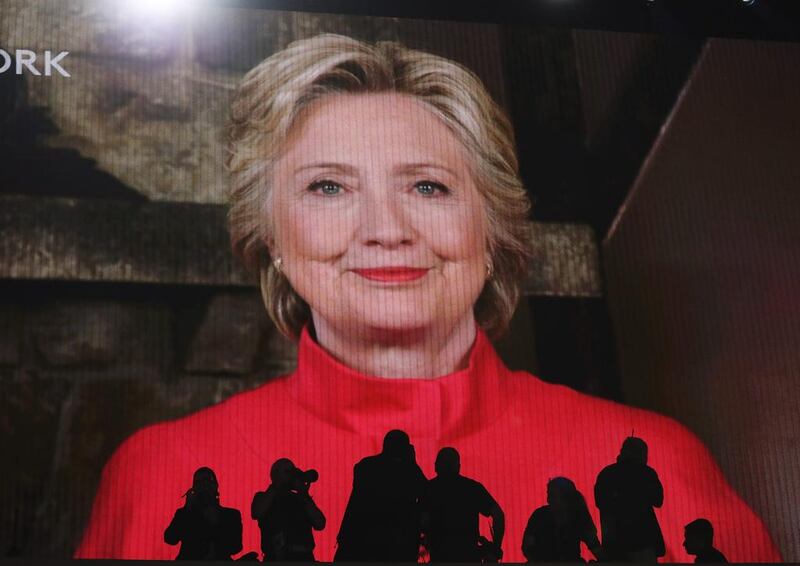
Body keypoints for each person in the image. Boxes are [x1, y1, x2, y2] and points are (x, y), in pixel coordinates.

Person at [75, 34, 781, 561]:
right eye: (328, 187)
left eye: (428, 187)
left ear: (493, 226)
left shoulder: (654, 458)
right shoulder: (157, 471)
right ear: (272, 238)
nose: (387, 230)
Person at [335, 430, 427, 562]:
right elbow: (425, 492)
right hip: (398, 542)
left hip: (364, 538)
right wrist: (412, 463)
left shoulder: (365, 466)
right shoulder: (409, 471)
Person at [422, 447, 504, 562]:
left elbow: (422, 522)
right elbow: (498, 515)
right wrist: (495, 548)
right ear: (458, 467)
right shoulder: (473, 488)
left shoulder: (428, 490)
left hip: (440, 557)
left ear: (436, 466)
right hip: (469, 558)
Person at [594, 437, 664, 561]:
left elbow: (600, 503)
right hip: (643, 541)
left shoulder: (606, 474)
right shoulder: (647, 473)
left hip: (614, 543)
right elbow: (658, 500)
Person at [251, 458, 326, 561]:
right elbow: (257, 512)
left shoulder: (301, 499)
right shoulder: (263, 496)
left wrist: (304, 495)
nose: (291, 475)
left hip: (304, 558)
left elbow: (320, 523)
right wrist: (277, 485)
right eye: (287, 471)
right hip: (277, 557)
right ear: (275, 474)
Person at [163, 467, 242, 560]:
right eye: (199, 482)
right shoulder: (185, 513)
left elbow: (235, 547)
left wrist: (215, 525)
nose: (205, 485)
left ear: (216, 486)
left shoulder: (231, 515)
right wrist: (187, 508)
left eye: (209, 481)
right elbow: (170, 539)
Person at [521, 477, 600, 562]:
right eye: (549, 494)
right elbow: (595, 547)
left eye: (552, 495)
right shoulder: (579, 516)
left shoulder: (539, 515)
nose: (548, 500)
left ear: (566, 497)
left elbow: (527, 547)